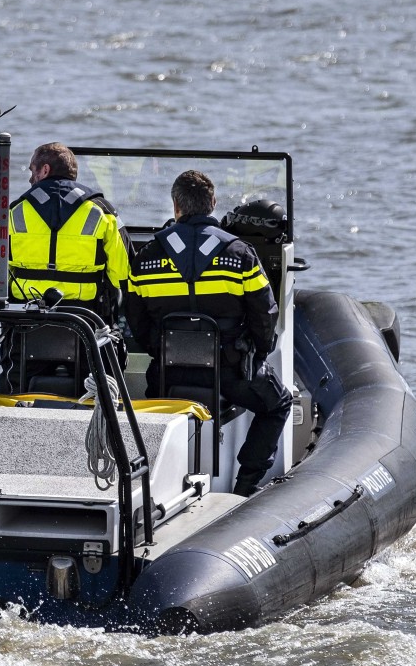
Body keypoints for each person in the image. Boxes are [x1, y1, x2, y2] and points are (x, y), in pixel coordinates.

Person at [125, 170, 292, 496]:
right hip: (229, 372)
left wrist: (160, 350)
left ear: (176, 206)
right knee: (278, 404)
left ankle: (157, 487)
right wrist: (255, 355)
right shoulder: (240, 254)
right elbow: (266, 315)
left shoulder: (146, 257)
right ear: (212, 204)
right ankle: (245, 488)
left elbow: (136, 320)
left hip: (166, 375)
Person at [0, 142, 130, 393]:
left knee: (17, 389)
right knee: (98, 387)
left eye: (32, 170)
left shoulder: (14, 211)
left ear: (45, 170)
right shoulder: (103, 211)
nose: (30, 177)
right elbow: (122, 272)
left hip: (27, 322)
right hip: (85, 321)